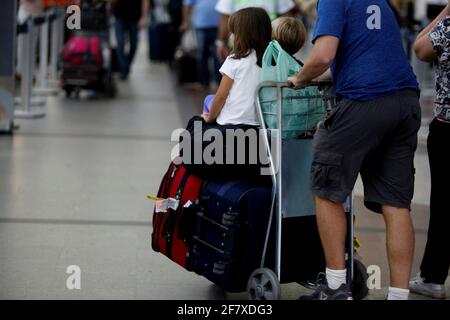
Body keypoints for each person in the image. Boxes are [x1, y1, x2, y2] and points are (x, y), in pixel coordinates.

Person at [288, 0, 421, 300]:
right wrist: (327, 74)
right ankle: (398, 296)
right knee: (396, 203)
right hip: (404, 100)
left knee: (326, 188)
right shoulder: (381, 3)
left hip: (364, 100)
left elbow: (323, 54)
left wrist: (301, 77)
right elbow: (367, 54)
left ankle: (336, 287)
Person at [409, 2, 450, 299]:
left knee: (445, 205)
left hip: (448, 129)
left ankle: (433, 278)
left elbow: (420, 48)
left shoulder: (447, 29)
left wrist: (445, 12)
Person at [214, 0, 297, 62]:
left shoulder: (231, 62)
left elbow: (224, 17)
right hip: (269, 44)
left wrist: (221, 42)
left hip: (245, 45)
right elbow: (286, 16)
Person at [182, 0, 221, 90]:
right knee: (202, 55)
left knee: (217, 55)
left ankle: (219, 82)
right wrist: (185, 21)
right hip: (201, 26)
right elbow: (186, 5)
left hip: (217, 26)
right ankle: (204, 82)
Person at [112, 0, 149, 80]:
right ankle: (123, 70)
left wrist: (144, 17)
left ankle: (126, 67)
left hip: (135, 18)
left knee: (134, 45)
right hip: (120, 15)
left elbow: (145, 1)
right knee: (120, 44)